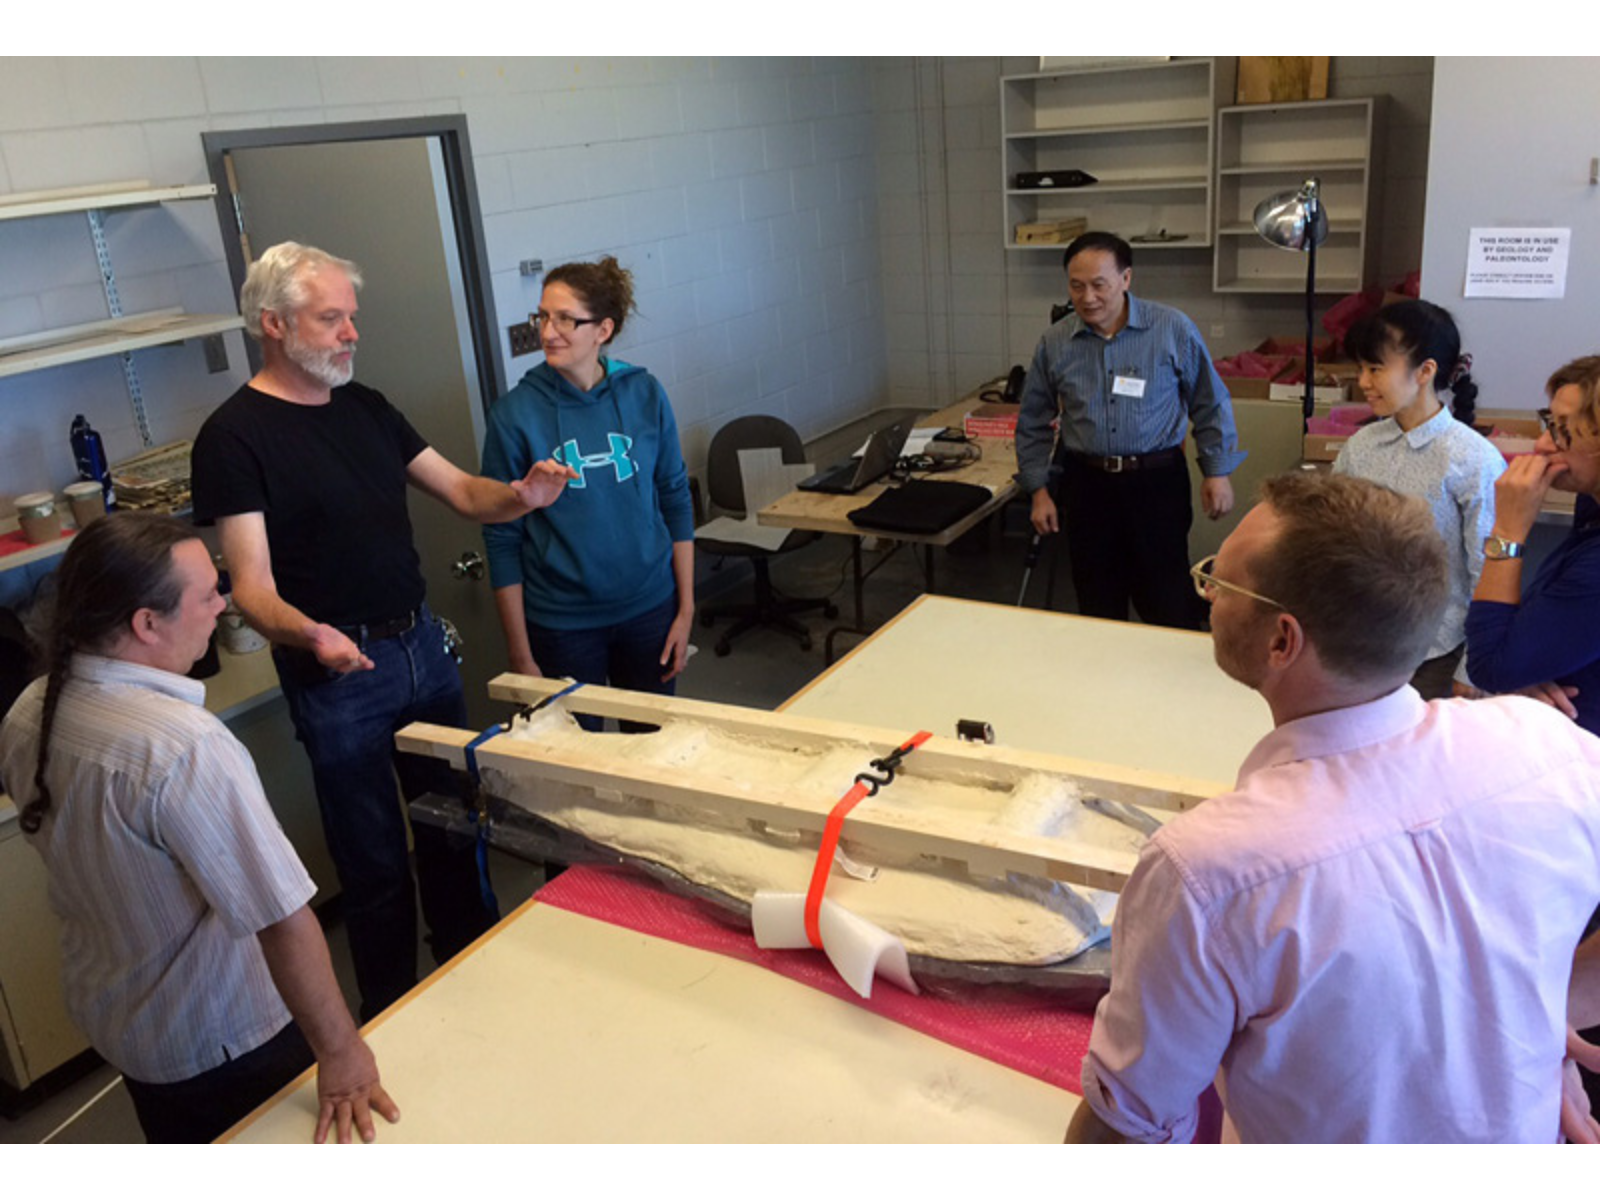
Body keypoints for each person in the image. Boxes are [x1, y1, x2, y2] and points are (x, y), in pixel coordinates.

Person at [1068, 472, 1600, 1143]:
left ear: (1281, 642)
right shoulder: (1548, 745)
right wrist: (1542, 1009)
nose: (1205, 593)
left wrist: (1544, 1006)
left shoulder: (1210, 872)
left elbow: (1128, 1123)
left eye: (1220, 582)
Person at [191, 242, 574, 1021]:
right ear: (273, 324)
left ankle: (478, 980)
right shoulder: (233, 438)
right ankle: (396, 1017)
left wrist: (524, 497)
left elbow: (466, 494)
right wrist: (315, 637)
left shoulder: (367, 408)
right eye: (330, 318)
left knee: (455, 830)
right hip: (339, 677)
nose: (350, 334)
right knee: (373, 867)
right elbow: (252, 590)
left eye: (350, 317)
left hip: (421, 651)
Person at [0, 514, 397, 1143]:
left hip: (131, 1029)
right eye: (208, 592)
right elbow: (282, 919)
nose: (224, 603)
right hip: (224, 1042)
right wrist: (343, 1056)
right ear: (146, 623)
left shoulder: (28, 710)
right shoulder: (182, 748)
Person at [481, 256, 695, 727]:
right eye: (542, 316)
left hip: (649, 611)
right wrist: (520, 654)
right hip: (563, 626)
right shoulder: (514, 415)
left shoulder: (644, 393)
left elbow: (675, 497)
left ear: (603, 330)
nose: (547, 332)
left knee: (654, 752)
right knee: (580, 766)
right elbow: (501, 539)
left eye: (565, 319)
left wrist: (686, 609)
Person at [1015, 231, 1244, 629]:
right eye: (1076, 286)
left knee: (1166, 598)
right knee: (1097, 599)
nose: (1087, 298)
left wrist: (1217, 471)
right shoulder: (1056, 342)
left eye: (1099, 285)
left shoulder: (1171, 329)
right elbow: (1033, 419)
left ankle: (1167, 685)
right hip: (1087, 485)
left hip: (1156, 483)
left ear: (1126, 279)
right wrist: (1038, 490)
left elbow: (1209, 402)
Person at [1332, 299, 1504, 699]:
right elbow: (1330, 536)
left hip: (1437, 655)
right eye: (1361, 368)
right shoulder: (1362, 446)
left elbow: (1488, 572)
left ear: (1425, 371)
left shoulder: (1472, 459)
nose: (1364, 381)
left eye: (1375, 368)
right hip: (1361, 644)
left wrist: (1473, 667)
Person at [1466, 355, 1600, 734]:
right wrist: (1523, 671)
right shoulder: (1591, 503)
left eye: (1563, 431)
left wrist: (1508, 529)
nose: (1542, 444)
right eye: (1549, 423)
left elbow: (1490, 666)